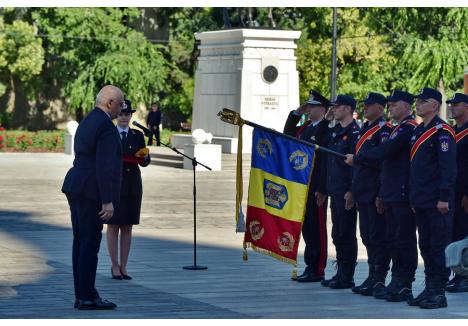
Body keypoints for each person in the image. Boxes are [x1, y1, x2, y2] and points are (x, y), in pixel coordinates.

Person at [345, 90, 419, 302]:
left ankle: (404, 283)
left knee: (403, 240)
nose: (391, 107)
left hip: (402, 193)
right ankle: (393, 280)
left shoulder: (408, 128)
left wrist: (358, 158)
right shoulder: (398, 128)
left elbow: (385, 151)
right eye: (390, 104)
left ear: (406, 106)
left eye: (395, 104)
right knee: (393, 239)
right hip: (390, 191)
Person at [62, 85, 124, 310]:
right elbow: (105, 166)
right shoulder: (106, 126)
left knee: (80, 242)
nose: (122, 107)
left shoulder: (88, 120)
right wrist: (107, 200)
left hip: (76, 185)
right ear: (109, 103)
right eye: (120, 103)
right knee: (89, 243)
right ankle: (87, 296)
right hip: (91, 191)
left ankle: (83, 294)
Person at [407, 87, 456, 309]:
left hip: (438, 201)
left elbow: (448, 168)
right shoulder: (419, 130)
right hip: (421, 199)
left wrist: (444, 197)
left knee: (438, 246)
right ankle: (429, 288)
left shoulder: (442, 131)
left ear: (435, 105)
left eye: (423, 101)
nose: (418, 105)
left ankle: (439, 292)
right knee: (425, 245)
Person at [283, 90, 330, 282]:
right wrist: (296, 113)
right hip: (301, 184)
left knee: (317, 228)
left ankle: (318, 268)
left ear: (323, 109)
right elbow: (288, 135)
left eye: (312, 107)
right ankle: (310, 265)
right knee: (307, 228)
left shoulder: (326, 128)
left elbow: (326, 161)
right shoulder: (305, 127)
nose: (309, 110)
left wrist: (323, 188)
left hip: (316, 185)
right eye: (308, 106)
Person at [348, 92, 392, 297]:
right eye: (364, 104)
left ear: (381, 108)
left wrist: (381, 193)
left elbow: (382, 162)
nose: (365, 107)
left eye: (370, 105)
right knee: (367, 236)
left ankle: (379, 277)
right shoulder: (364, 128)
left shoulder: (384, 131)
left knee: (377, 236)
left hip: (374, 191)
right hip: (362, 191)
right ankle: (372, 274)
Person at [105, 99, 151, 280]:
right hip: (115, 184)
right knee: (113, 225)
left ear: (131, 116)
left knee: (128, 226)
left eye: (127, 114)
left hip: (132, 183)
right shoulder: (109, 133)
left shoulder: (137, 135)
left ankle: (124, 266)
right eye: (122, 114)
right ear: (117, 115)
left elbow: (144, 159)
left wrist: (146, 158)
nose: (124, 118)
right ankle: (114, 265)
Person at [321, 95, 360, 289]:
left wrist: (352, 191)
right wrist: (327, 120)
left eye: (336, 107)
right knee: (337, 233)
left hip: (345, 192)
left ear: (347, 108)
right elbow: (319, 140)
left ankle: (347, 275)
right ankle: (340, 272)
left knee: (346, 232)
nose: (333, 110)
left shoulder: (355, 132)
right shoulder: (336, 130)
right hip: (334, 190)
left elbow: (355, 166)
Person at [446, 92, 468, 293]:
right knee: (454, 234)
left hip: (464, 193)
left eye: (456, 104)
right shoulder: (452, 131)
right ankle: (458, 273)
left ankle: (466, 276)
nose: (451, 107)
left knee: (464, 233)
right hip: (453, 191)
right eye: (450, 104)